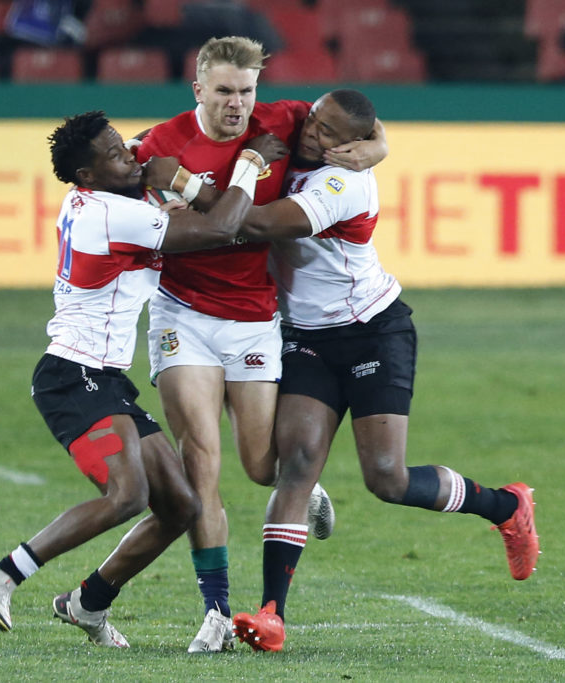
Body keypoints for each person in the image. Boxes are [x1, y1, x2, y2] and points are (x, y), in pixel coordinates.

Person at [180, 89, 540, 652]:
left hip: (372, 331)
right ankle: (272, 615)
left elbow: (258, 225)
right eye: (314, 122)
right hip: (306, 339)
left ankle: (507, 506)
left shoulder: (344, 181)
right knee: (296, 462)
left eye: (327, 132)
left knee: (387, 480)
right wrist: (379, 139)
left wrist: (186, 188)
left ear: (351, 145)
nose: (311, 135)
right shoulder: (304, 133)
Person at [0, 110, 286, 647]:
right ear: (87, 175)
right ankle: (1, 574)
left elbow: (137, 157)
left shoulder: (93, 198)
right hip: (74, 375)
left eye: (122, 145)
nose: (128, 156)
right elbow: (221, 226)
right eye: (114, 155)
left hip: (105, 379)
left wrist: (144, 155)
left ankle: (89, 601)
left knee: (181, 504)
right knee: (128, 494)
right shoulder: (112, 213)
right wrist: (249, 164)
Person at [133, 36, 389, 654]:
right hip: (184, 313)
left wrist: (378, 147)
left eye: (245, 92)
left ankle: (305, 487)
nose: (236, 105)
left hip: (253, 318)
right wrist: (203, 188)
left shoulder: (283, 119)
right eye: (223, 92)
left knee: (260, 466)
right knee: (203, 461)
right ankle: (216, 612)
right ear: (198, 89)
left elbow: (362, 121)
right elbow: (182, 226)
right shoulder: (160, 147)